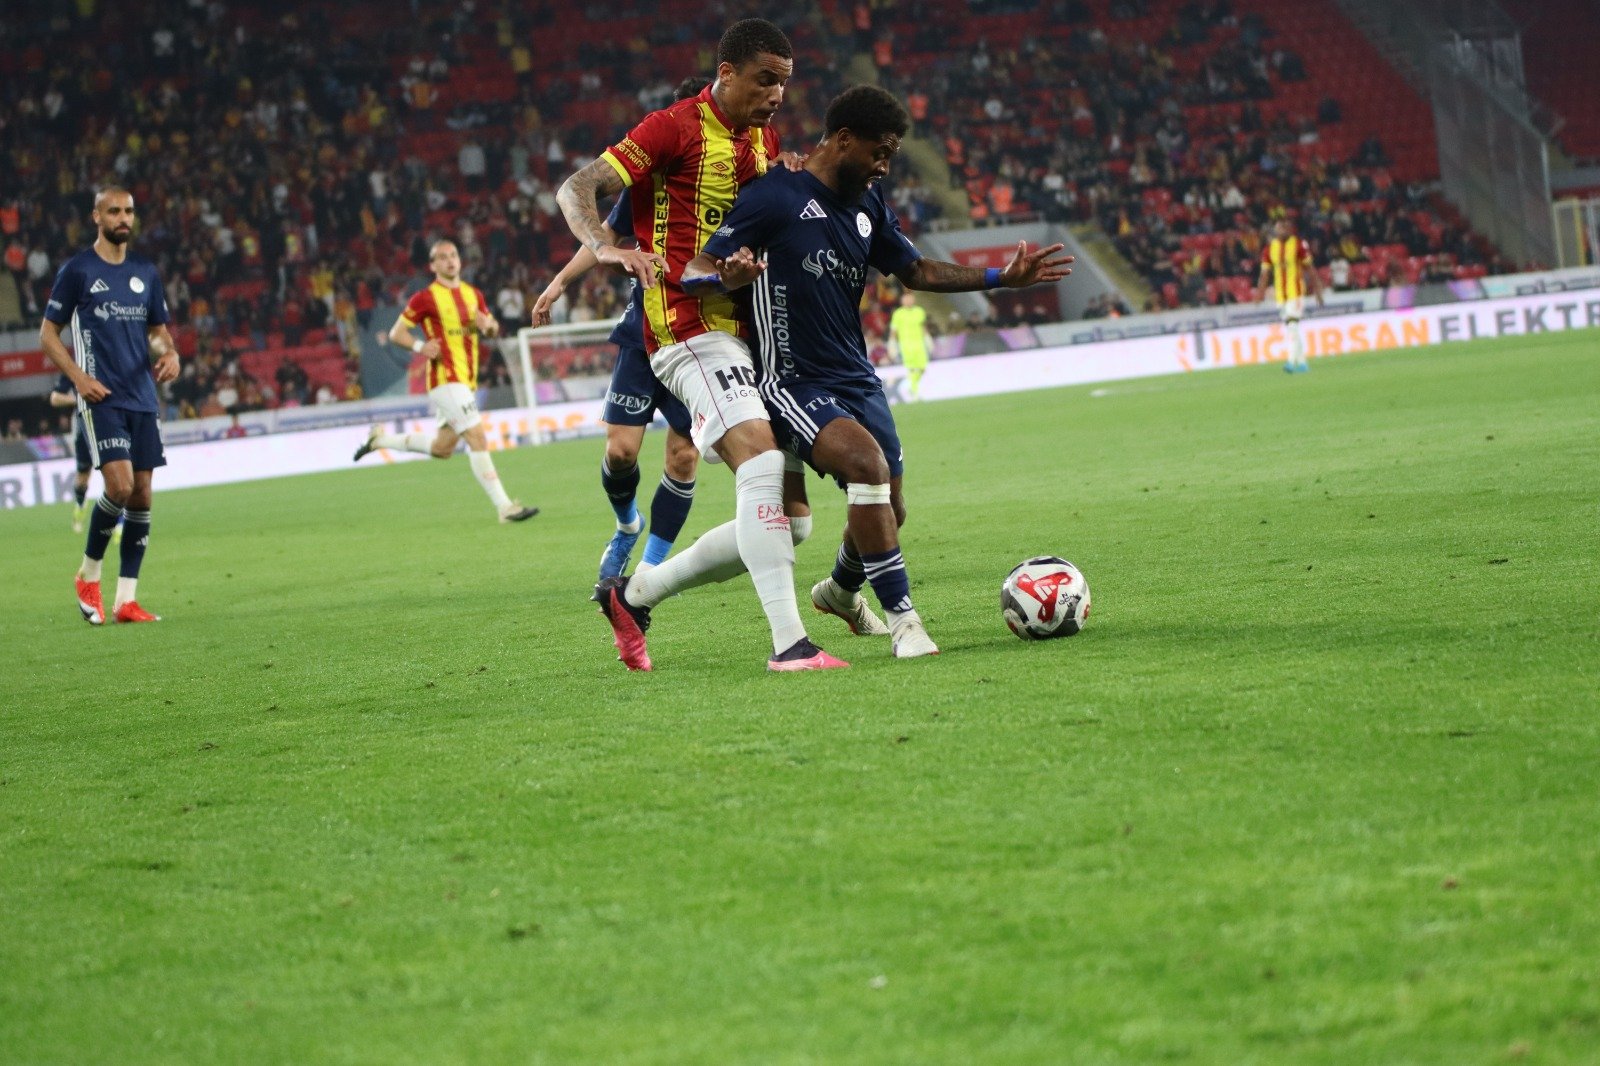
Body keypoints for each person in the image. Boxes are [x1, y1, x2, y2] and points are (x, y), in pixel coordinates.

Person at [685, 85, 1074, 658]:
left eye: (891, 154)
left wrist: (1000, 279)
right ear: (844, 139)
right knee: (866, 465)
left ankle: (840, 592)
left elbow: (916, 270)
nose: (885, 166)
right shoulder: (775, 196)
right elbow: (695, 268)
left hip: (857, 377)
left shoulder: (867, 202)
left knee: (891, 505)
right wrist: (726, 277)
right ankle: (904, 623)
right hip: (791, 380)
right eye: (880, 151)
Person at [557, 19, 844, 672]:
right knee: (760, 464)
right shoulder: (671, 128)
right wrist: (604, 246)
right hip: (687, 329)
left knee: (793, 521)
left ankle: (634, 595)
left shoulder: (765, 141)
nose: (776, 95)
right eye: (765, 80)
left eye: (784, 83)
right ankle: (790, 646)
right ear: (727, 74)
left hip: (755, 333)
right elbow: (576, 187)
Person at [533, 78, 706, 582]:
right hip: (644, 332)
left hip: (700, 336)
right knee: (620, 450)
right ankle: (627, 525)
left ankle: (648, 572)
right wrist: (560, 282)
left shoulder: (740, 177)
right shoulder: (649, 180)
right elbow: (606, 234)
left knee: (683, 456)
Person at [40, 187, 179, 625]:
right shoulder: (78, 270)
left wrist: (170, 352)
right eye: (114, 211)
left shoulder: (145, 272)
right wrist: (79, 379)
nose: (123, 218)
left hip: (143, 397)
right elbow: (48, 333)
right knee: (118, 487)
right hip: (101, 397)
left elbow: (157, 330)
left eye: (129, 211)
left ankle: (126, 601)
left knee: (141, 495)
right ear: (96, 217)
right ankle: (88, 576)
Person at [353, 240, 539, 523]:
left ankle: (379, 440)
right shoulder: (425, 298)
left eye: (453, 255)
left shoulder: (473, 294)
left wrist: (489, 326)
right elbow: (396, 333)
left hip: (466, 380)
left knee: (443, 448)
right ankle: (505, 507)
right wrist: (420, 347)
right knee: (477, 437)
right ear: (433, 265)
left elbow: (491, 328)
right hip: (445, 378)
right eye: (442, 257)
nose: (450, 261)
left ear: (459, 261)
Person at [1256, 218, 1325, 374]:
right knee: (1291, 328)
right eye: (1280, 228)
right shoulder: (1270, 248)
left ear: (1290, 229)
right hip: (1280, 296)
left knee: (1292, 325)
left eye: (1285, 227)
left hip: (1296, 293)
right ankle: (1302, 363)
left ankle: (1290, 361)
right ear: (1275, 230)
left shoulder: (1298, 245)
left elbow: (1310, 269)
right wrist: (1260, 292)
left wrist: (1317, 291)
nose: (1283, 230)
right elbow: (1265, 273)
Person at [887, 291, 932, 400]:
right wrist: (892, 343)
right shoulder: (898, 313)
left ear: (913, 299)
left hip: (919, 344)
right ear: (902, 301)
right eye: (906, 299)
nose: (908, 301)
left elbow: (923, 327)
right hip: (906, 345)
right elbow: (893, 330)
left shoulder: (919, 311)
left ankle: (913, 387)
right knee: (911, 369)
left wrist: (928, 338)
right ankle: (914, 392)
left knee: (922, 368)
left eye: (910, 298)